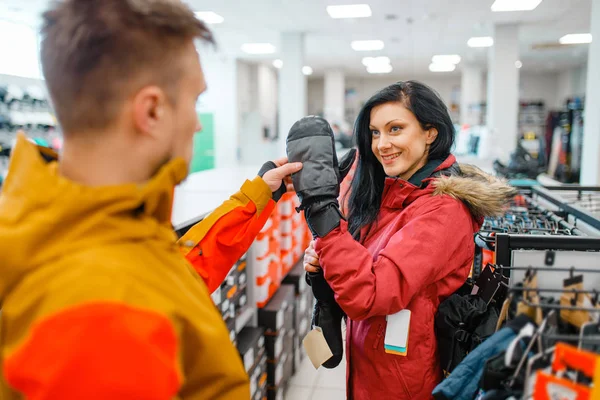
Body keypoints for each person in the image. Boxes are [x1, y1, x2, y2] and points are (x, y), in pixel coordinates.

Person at [0, 1, 301, 399]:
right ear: (153, 111)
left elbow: (172, 273)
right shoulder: (104, 319)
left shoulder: (76, 224)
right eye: (195, 99)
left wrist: (260, 194)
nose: (197, 123)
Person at [294, 81, 516, 399]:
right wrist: (324, 265)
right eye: (375, 132)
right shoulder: (393, 194)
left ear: (431, 133)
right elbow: (361, 267)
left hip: (401, 382)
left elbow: (371, 293)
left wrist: (326, 223)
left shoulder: (442, 209)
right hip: (373, 367)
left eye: (395, 129)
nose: (382, 144)